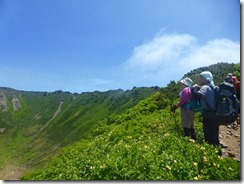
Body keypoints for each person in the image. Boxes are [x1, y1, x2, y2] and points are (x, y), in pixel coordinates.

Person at [191, 71, 222, 155]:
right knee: (215, 136)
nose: (199, 79)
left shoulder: (205, 87)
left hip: (208, 115)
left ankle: (211, 157)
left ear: (205, 79)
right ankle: (219, 155)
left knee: (208, 137)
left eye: (200, 77)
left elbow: (197, 96)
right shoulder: (212, 88)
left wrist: (193, 88)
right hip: (215, 115)